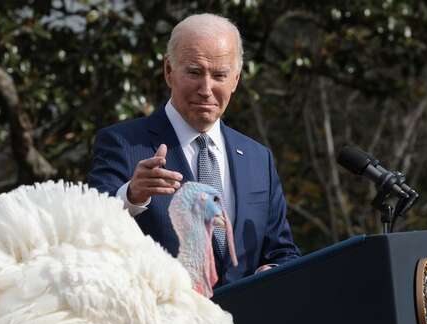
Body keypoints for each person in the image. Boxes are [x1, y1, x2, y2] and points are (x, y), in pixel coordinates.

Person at [88, 13, 300, 288]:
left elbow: (283, 252)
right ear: (168, 71)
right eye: (194, 72)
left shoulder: (258, 158)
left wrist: (273, 271)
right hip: (161, 322)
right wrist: (132, 196)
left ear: (235, 80)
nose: (206, 89)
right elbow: (90, 232)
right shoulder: (123, 143)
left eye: (219, 76)